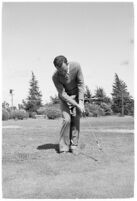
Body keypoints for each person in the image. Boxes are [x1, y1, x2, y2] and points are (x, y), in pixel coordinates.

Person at [52, 55, 85, 155]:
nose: (62, 72)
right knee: (67, 119)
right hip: (64, 98)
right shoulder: (55, 77)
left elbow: (80, 84)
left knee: (75, 119)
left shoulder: (76, 66)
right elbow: (63, 94)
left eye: (63, 69)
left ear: (67, 63)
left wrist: (81, 102)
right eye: (59, 70)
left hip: (76, 95)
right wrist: (76, 104)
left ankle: (74, 146)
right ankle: (63, 147)